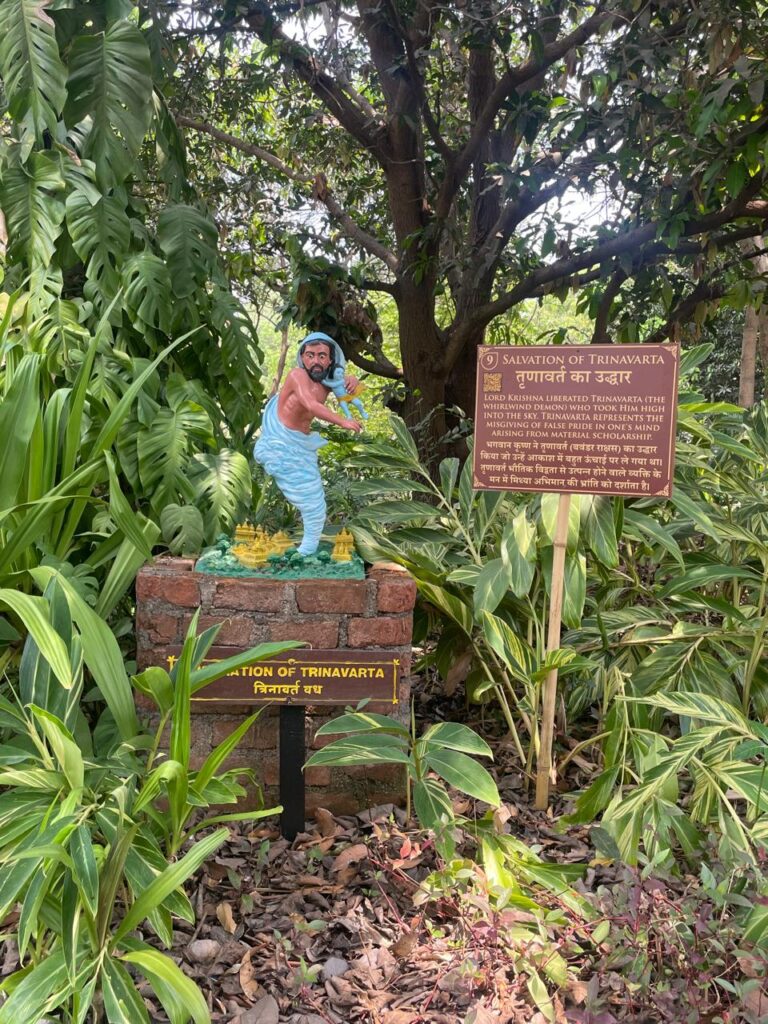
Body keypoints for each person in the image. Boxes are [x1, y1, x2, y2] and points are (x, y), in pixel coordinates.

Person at [253, 332, 362, 556]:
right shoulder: (297, 375)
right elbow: (311, 405)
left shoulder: (328, 380)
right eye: (310, 355)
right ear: (302, 357)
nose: (316, 361)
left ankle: (307, 548)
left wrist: (353, 381)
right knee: (310, 499)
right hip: (282, 443)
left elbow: (352, 394)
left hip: (301, 445)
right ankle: (307, 548)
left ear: (331, 360)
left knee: (315, 502)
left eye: (322, 356)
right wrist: (343, 421)